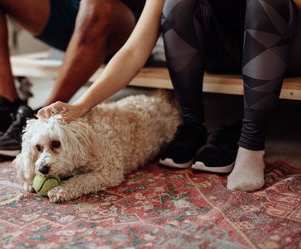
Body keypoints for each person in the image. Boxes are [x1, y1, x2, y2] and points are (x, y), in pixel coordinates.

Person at [38, 0, 301, 192]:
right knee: (176, 5)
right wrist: (82, 104)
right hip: (224, 53)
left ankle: (251, 145)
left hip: (280, 48)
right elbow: (133, 50)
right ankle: (191, 125)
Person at [0, 0, 145, 157]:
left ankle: (46, 115)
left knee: (98, 5)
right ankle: (5, 104)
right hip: (72, 9)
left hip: (123, 18)